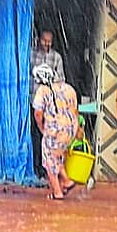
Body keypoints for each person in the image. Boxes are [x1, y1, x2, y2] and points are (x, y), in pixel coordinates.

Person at [32, 64, 79, 200]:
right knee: (56, 155)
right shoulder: (69, 88)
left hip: (55, 129)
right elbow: (75, 110)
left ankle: (57, 192)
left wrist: (42, 128)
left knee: (48, 158)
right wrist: (76, 129)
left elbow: (38, 114)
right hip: (70, 129)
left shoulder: (43, 91)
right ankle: (66, 180)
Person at [30, 30, 66, 179]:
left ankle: (46, 170)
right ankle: (34, 166)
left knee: (47, 137)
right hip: (32, 101)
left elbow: (61, 80)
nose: (47, 44)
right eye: (44, 41)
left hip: (48, 105)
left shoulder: (56, 57)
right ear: (39, 40)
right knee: (34, 135)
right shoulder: (31, 54)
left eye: (49, 41)